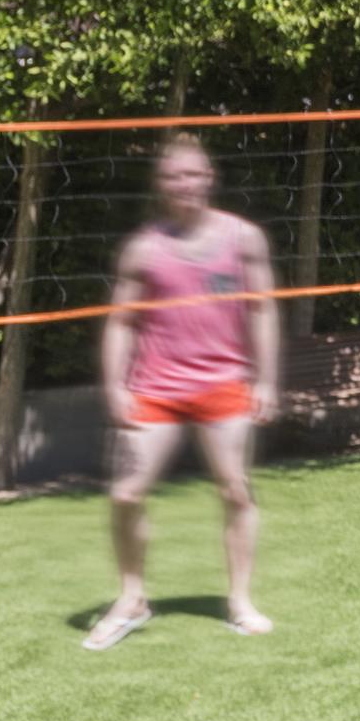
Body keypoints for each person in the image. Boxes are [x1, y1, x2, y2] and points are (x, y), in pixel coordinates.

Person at [84, 134, 279, 650]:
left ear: (209, 178)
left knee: (236, 490)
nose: (185, 184)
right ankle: (132, 600)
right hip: (155, 388)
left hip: (224, 383)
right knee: (125, 492)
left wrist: (266, 379)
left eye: (194, 174)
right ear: (162, 184)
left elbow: (262, 310)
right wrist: (114, 387)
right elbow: (120, 323)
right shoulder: (143, 248)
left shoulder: (243, 239)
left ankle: (239, 602)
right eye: (175, 176)